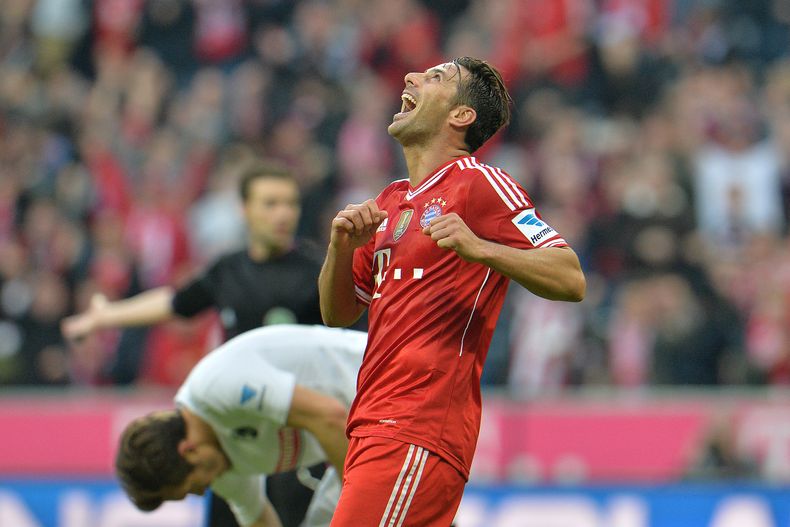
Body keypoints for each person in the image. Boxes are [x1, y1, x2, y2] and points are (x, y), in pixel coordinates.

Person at [319, 57, 586, 526]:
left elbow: (570, 276)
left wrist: (480, 248)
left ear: (461, 115)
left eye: (436, 77)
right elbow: (338, 313)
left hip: (416, 424)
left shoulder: (480, 183)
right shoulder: (389, 201)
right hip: (369, 422)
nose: (410, 77)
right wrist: (341, 248)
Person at [62, 161, 326, 527]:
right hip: (236, 436)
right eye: (270, 203)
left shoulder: (317, 271)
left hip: (296, 435)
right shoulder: (228, 270)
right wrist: (105, 317)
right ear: (244, 209)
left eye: (290, 203)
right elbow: (175, 303)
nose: (283, 214)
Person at [116, 324, 367, 527]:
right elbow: (259, 520)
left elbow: (330, 417)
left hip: (379, 387)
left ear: (189, 450)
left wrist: (358, 506)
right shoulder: (217, 465)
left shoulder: (215, 389)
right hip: (360, 434)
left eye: (191, 488)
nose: (202, 492)